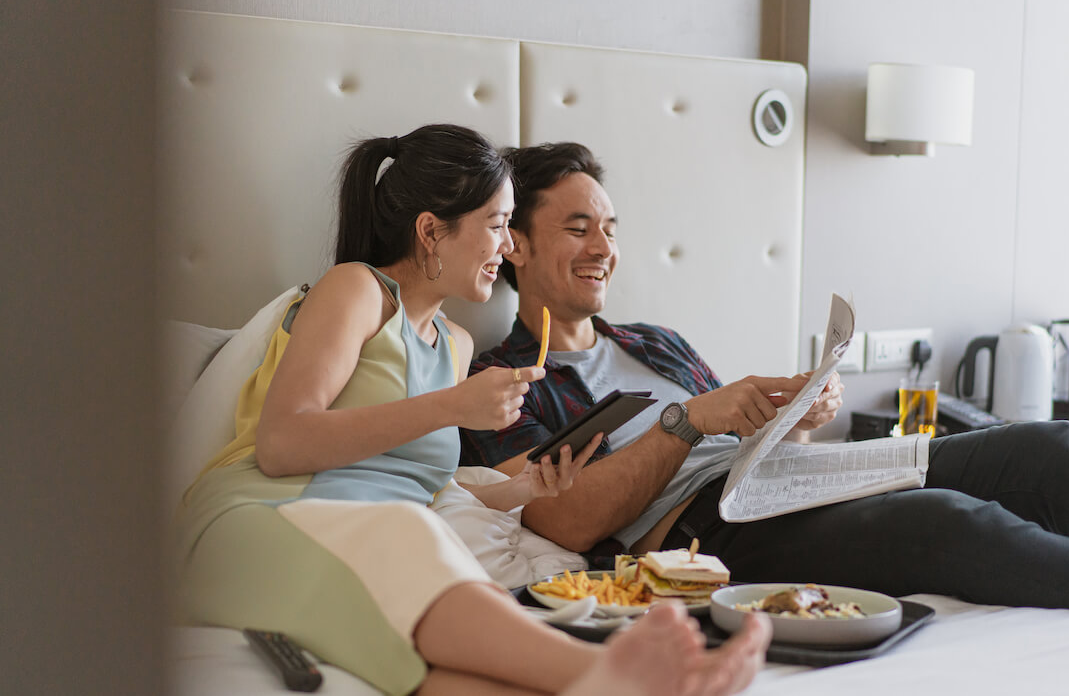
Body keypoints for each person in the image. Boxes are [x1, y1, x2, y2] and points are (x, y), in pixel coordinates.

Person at [460, 141, 1069, 611]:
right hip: (706, 531)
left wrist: (799, 417)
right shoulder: (498, 383)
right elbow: (567, 523)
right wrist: (690, 422)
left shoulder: (658, 343)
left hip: (785, 484)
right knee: (950, 523)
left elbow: (743, 438)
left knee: (1055, 449)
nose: (603, 248)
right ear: (515, 244)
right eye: (578, 228)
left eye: (611, 229)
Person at [174, 125, 770, 696]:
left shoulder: (455, 346)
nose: (509, 246)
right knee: (409, 534)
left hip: (365, 541)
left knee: (442, 676)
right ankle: (608, 670)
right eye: (498, 224)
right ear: (431, 231)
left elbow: (430, 490)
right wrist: (449, 406)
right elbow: (282, 443)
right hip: (263, 521)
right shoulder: (356, 290)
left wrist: (528, 487)